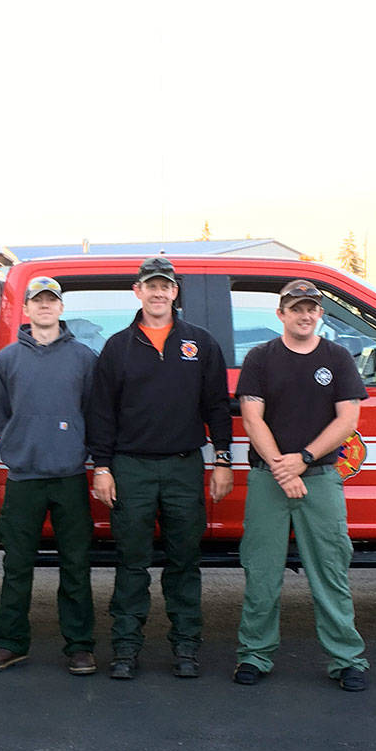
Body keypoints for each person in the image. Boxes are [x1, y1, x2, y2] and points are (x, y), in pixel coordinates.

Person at [86, 257, 233, 679]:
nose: (158, 293)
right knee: (132, 563)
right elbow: (102, 414)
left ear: (175, 292)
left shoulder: (200, 343)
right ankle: (126, 649)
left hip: (185, 468)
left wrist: (221, 459)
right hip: (130, 469)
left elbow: (217, 408)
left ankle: (186, 648)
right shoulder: (117, 346)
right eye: (150, 286)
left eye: (165, 286)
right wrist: (102, 467)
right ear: (138, 291)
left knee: (184, 562)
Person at [233, 279, 371, 692]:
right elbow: (251, 418)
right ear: (281, 314)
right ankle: (254, 654)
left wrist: (304, 460)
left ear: (320, 314)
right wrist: (281, 468)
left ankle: (347, 659)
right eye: (296, 308)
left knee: (330, 572)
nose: (304, 314)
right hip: (268, 480)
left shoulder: (338, 358)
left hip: (322, 479)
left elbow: (348, 420)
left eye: (311, 307)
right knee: (261, 573)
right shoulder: (260, 358)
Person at [0, 276, 99, 675]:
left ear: (61, 308)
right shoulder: (7, 361)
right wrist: (20, 443)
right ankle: (11, 643)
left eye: (52, 301)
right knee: (17, 565)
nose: (45, 307)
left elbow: (94, 414)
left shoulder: (83, 358)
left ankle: (79, 646)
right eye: (38, 301)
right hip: (24, 478)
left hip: (69, 476)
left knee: (76, 565)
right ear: (26, 310)